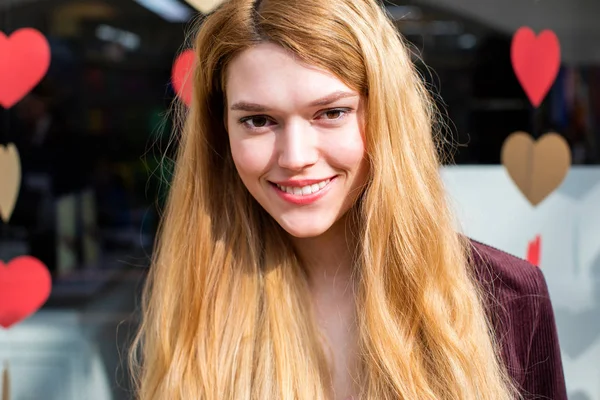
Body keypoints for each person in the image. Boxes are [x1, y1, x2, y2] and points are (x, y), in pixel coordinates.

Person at [129, 0, 568, 399]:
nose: (296, 157)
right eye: (259, 120)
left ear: (385, 116)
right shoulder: (198, 300)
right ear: (221, 133)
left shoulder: (510, 297)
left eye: (331, 113)